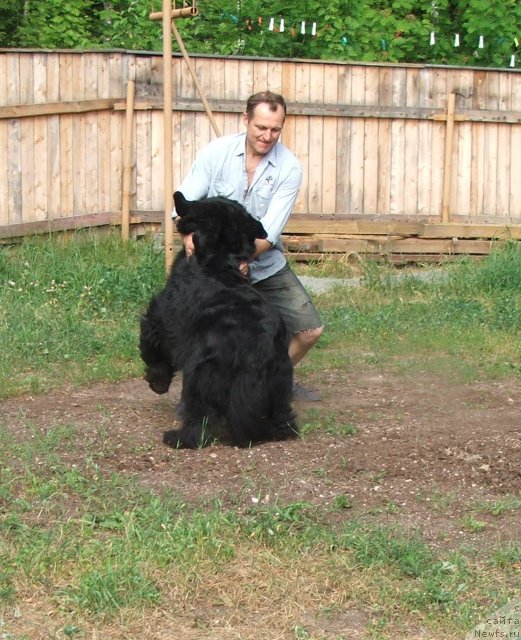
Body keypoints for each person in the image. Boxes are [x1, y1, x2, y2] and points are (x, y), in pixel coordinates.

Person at [172, 90, 323, 401]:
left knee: (309, 331)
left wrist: (242, 258)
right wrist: (187, 237)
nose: (267, 136)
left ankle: (269, 382)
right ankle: (200, 400)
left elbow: (267, 233)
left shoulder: (289, 168)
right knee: (205, 330)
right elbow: (183, 206)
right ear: (246, 120)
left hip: (263, 263)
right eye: (261, 128)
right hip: (211, 266)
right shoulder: (216, 154)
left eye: (275, 129)